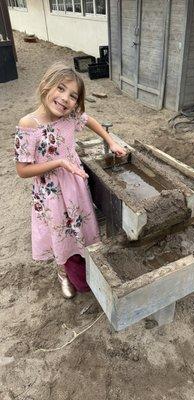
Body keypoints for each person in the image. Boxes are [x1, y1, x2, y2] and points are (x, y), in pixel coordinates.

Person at [14, 62, 126, 299]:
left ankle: (85, 262)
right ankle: (63, 273)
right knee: (59, 232)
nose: (65, 98)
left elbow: (91, 121)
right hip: (50, 193)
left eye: (73, 96)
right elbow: (23, 170)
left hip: (75, 185)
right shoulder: (28, 125)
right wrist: (59, 163)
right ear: (46, 86)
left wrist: (111, 141)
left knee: (80, 226)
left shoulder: (71, 117)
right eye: (61, 88)